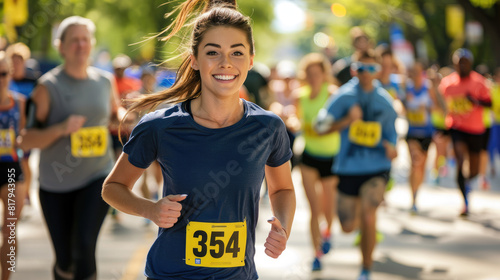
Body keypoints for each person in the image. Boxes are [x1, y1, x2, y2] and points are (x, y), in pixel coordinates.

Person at [101, 1, 296, 279]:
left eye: (237, 52)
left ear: (251, 60)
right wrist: (151, 209)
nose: (225, 63)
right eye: (212, 52)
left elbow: (282, 190)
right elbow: (113, 187)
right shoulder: (160, 126)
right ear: (194, 59)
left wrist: (283, 227)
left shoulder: (268, 127)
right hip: (170, 274)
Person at [18, 16, 123, 280]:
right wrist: (61, 129)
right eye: (74, 40)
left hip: (97, 176)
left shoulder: (105, 81)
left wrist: (123, 115)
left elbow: (114, 112)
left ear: (92, 44)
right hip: (56, 184)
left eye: (85, 39)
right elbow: (26, 140)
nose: (81, 45)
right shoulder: (47, 87)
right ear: (61, 47)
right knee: (65, 260)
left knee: (85, 246)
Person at [315, 50, 398, 280]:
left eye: (371, 69)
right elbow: (320, 128)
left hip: (376, 168)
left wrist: (392, 147)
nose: (366, 74)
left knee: (370, 214)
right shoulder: (343, 97)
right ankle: (363, 223)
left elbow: (392, 137)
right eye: (361, 68)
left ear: (378, 71)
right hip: (348, 168)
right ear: (354, 69)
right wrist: (347, 121)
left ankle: (366, 269)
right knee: (348, 226)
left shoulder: (385, 101)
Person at [294, 53, 340, 271]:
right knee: (313, 208)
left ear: (324, 75)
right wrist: (292, 121)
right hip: (309, 157)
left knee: (327, 206)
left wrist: (329, 129)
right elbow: (297, 120)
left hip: (331, 158)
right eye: (309, 74)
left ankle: (328, 231)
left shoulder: (332, 94)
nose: (313, 78)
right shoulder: (299, 97)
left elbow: (345, 121)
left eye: (317, 73)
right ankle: (316, 253)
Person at [438, 48, 491, 216]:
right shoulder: (447, 83)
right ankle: (465, 201)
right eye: (459, 62)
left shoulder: (479, 82)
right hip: (456, 127)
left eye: (465, 62)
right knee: (460, 160)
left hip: (476, 130)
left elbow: (489, 104)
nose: (462, 65)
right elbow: (442, 105)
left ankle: (468, 183)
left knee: (473, 169)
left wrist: (475, 101)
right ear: (454, 64)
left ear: (470, 64)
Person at [0, 51, 27, 280]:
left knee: (9, 229)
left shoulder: (19, 102)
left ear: (10, 74)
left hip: (10, 171)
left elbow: (24, 142)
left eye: (2, 74)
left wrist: (27, 179)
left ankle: (6, 277)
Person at [6, 42, 38, 205]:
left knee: (25, 161)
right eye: (13, 61)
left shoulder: (33, 80)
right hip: (7, 128)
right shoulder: (5, 77)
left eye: (19, 61)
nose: (16, 64)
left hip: (26, 127)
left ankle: (25, 192)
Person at [403, 61, 435, 213]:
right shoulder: (406, 88)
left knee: (421, 168)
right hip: (412, 133)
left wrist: (427, 106)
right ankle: (412, 199)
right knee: (415, 163)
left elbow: (438, 108)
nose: (415, 75)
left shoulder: (428, 89)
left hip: (427, 133)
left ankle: (416, 193)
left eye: (418, 72)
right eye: (413, 72)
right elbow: (401, 107)